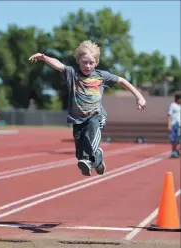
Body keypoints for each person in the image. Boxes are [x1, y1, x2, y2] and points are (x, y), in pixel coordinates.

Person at [29, 40, 146, 176]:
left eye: (91, 63)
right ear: (78, 61)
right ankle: (98, 159)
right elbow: (58, 65)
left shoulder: (101, 76)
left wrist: (139, 96)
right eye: (85, 62)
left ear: (96, 63)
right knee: (80, 156)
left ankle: (92, 157)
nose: (88, 66)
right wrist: (44, 58)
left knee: (91, 136)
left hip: (96, 115)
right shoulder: (72, 74)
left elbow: (121, 80)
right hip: (77, 119)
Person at [167, 92, 181, 158]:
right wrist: (169, 125)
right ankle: (174, 152)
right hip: (174, 125)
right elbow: (169, 115)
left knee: (178, 139)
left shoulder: (180, 106)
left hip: (180, 125)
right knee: (175, 140)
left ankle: (177, 150)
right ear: (178, 99)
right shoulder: (173, 105)